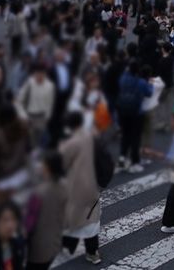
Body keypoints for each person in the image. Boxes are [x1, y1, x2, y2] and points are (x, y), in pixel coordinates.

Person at [59, 112, 103, 262]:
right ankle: (92, 252)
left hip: (75, 186)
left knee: (72, 217)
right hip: (92, 185)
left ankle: (68, 246)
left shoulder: (71, 143)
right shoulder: (92, 137)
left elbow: (60, 162)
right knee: (90, 220)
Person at [27, 151, 68, 270]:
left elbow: (29, 224)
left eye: (43, 165)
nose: (41, 167)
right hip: (54, 242)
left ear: (48, 168)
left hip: (37, 248)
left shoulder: (38, 194)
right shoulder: (64, 186)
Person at [17, 62, 55, 150]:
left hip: (42, 118)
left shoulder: (50, 86)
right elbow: (19, 100)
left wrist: (47, 118)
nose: (39, 76)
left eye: (41, 73)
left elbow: (50, 103)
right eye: (37, 73)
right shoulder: (29, 83)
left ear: (45, 74)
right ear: (34, 73)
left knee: (39, 144)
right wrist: (23, 115)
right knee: (28, 143)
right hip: (29, 117)